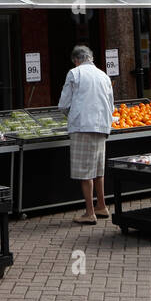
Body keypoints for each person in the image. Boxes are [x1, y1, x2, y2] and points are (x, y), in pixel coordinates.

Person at [57, 45, 114, 225]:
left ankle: (89, 212)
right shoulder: (104, 75)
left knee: (85, 172)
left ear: (76, 60)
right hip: (102, 126)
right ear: (91, 58)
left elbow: (64, 104)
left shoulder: (75, 73)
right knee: (98, 170)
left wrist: (72, 116)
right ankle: (102, 206)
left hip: (82, 126)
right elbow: (111, 105)